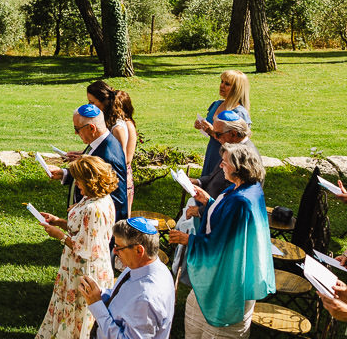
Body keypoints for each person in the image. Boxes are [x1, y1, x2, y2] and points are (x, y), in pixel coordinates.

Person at [168, 142, 274, 338]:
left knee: (213, 329)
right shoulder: (247, 188)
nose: (220, 166)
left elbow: (221, 244)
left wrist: (188, 240)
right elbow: (227, 222)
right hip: (236, 271)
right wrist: (209, 201)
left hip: (227, 277)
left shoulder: (240, 201)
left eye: (225, 162)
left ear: (238, 167)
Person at [34, 155, 119, 339]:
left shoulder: (94, 208)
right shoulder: (94, 199)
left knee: (78, 317)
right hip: (75, 267)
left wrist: (59, 236)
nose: (77, 183)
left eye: (79, 179)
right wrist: (59, 222)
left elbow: (86, 248)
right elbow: (84, 229)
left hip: (85, 271)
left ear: (90, 180)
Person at [81, 217, 175, 339]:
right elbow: (124, 299)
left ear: (138, 250)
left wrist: (96, 305)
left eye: (119, 247)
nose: (114, 251)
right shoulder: (142, 266)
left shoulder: (146, 299)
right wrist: (101, 293)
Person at [47, 104, 128, 222]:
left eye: (77, 129)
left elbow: (115, 198)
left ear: (92, 128)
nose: (75, 133)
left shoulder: (107, 156)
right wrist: (63, 173)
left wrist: (82, 207)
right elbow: (89, 174)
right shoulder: (97, 143)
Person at [87, 81, 138, 210]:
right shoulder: (107, 121)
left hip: (117, 180)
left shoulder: (119, 127)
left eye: (92, 102)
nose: (89, 106)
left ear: (104, 101)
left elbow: (122, 159)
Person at [194, 70, 250, 181]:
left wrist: (212, 131)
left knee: (218, 184)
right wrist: (202, 126)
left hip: (226, 156)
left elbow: (239, 142)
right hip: (212, 150)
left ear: (237, 89)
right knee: (207, 182)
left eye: (227, 84)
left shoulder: (239, 113)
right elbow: (210, 127)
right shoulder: (217, 104)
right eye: (222, 82)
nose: (222, 86)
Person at [190, 112, 253, 200]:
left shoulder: (243, 156)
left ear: (233, 134)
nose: (215, 137)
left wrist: (201, 209)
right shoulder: (232, 147)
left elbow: (232, 200)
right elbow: (215, 175)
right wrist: (198, 182)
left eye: (218, 134)